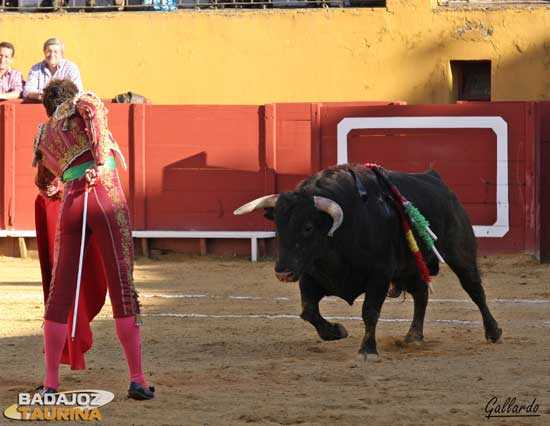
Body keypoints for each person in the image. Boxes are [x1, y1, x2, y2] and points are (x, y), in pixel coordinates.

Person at [33, 78, 154, 400]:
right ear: (69, 99)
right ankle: (138, 379)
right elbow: (96, 117)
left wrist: (61, 187)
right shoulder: (83, 103)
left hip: (71, 204)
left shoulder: (44, 134)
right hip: (104, 196)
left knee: (60, 296)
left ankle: (50, 384)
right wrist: (100, 164)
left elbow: (44, 184)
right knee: (123, 289)